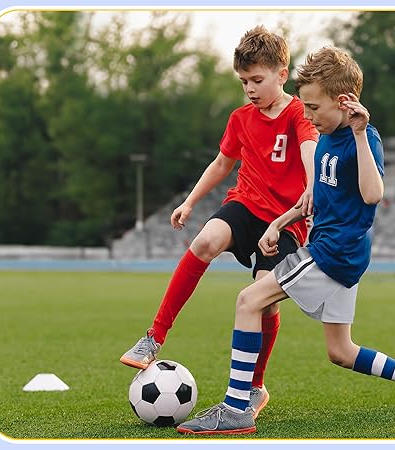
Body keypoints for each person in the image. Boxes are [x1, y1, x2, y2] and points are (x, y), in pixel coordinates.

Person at [176, 46, 395, 435]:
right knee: (341, 351)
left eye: (313, 108)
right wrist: (280, 222)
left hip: (332, 253)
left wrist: (359, 134)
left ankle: (236, 407)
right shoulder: (325, 133)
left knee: (248, 300)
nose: (306, 116)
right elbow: (315, 200)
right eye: (304, 107)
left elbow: (373, 194)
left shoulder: (363, 138)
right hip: (340, 253)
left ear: (345, 103)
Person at [120, 25, 319, 420]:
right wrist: (190, 202)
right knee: (204, 242)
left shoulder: (299, 112)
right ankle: (153, 337)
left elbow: (310, 147)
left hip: (284, 221)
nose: (249, 88)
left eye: (257, 80)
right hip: (245, 205)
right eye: (244, 81)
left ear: (282, 74)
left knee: (262, 306)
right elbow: (222, 164)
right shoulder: (241, 118)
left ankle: (255, 388)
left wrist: (312, 188)